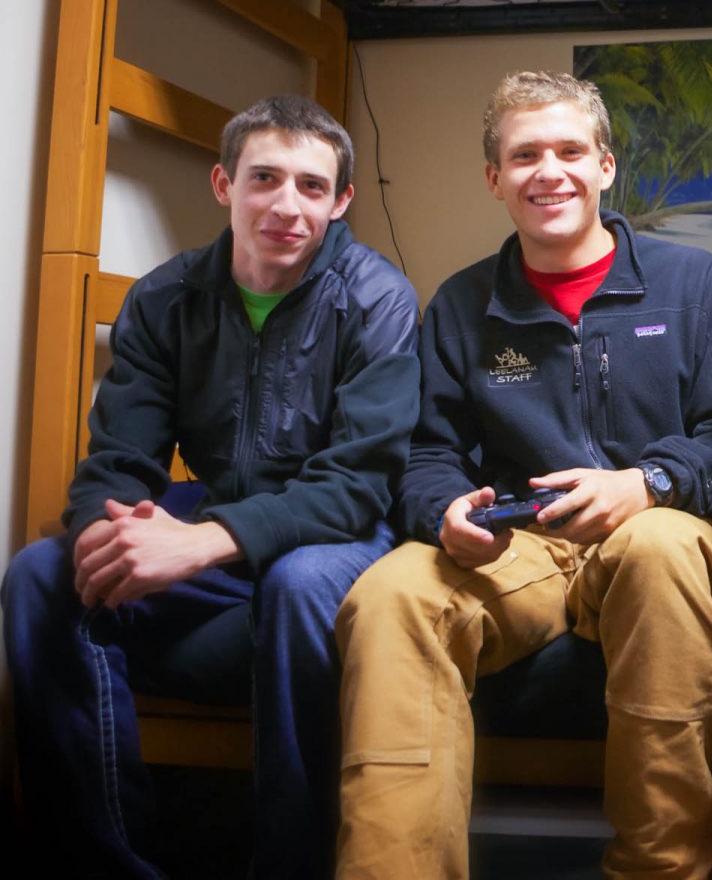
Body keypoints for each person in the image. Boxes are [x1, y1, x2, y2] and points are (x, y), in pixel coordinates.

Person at [334, 70, 712, 880]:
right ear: (495, 180)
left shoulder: (689, 285)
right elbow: (428, 453)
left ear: (606, 166)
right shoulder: (462, 304)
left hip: (655, 527)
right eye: (524, 156)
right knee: (391, 593)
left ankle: (659, 869)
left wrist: (647, 482)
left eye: (570, 151)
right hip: (523, 543)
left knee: (662, 551)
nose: (550, 171)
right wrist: (444, 512)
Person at [2, 95, 420, 879]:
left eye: (310, 186)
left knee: (297, 585)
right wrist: (105, 532)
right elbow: (121, 456)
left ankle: (288, 864)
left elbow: (360, 484)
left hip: (333, 540)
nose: (287, 206)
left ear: (341, 202)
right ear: (225, 184)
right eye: (265, 178)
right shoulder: (165, 299)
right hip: (221, 532)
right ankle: (106, 862)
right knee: (39, 575)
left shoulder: (376, 299)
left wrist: (201, 542)